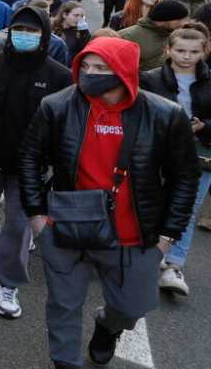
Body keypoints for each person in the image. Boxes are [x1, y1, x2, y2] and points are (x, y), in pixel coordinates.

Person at [19, 37, 198, 368]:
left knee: (132, 307)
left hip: (134, 238)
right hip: (65, 230)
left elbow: (185, 178)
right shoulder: (56, 106)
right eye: (85, 66)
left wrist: (166, 237)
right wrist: (37, 218)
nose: (89, 74)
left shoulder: (165, 116)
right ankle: (64, 362)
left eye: (100, 68)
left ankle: (108, 326)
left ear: (125, 71)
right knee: (63, 305)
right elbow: (30, 157)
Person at [0, 6, 70, 320]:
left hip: (31, 167)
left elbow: (63, 124)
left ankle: (8, 282)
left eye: (32, 31)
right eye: (19, 29)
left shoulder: (59, 76)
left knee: (19, 227)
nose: (24, 36)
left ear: (45, 36)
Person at [140, 25, 211, 296]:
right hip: (159, 148)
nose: (186, 56)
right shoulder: (151, 79)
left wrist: (203, 126)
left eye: (194, 51)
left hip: (199, 152)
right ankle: (146, 254)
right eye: (180, 50)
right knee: (150, 201)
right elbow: (140, 111)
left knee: (188, 208)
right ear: (168, 50)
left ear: (204, 52)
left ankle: (173, 265)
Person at [120, 0, 190, 72]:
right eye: (179, 20)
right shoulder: (128, 36)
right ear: (164, 19)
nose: (183, 23)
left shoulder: (175, 35)